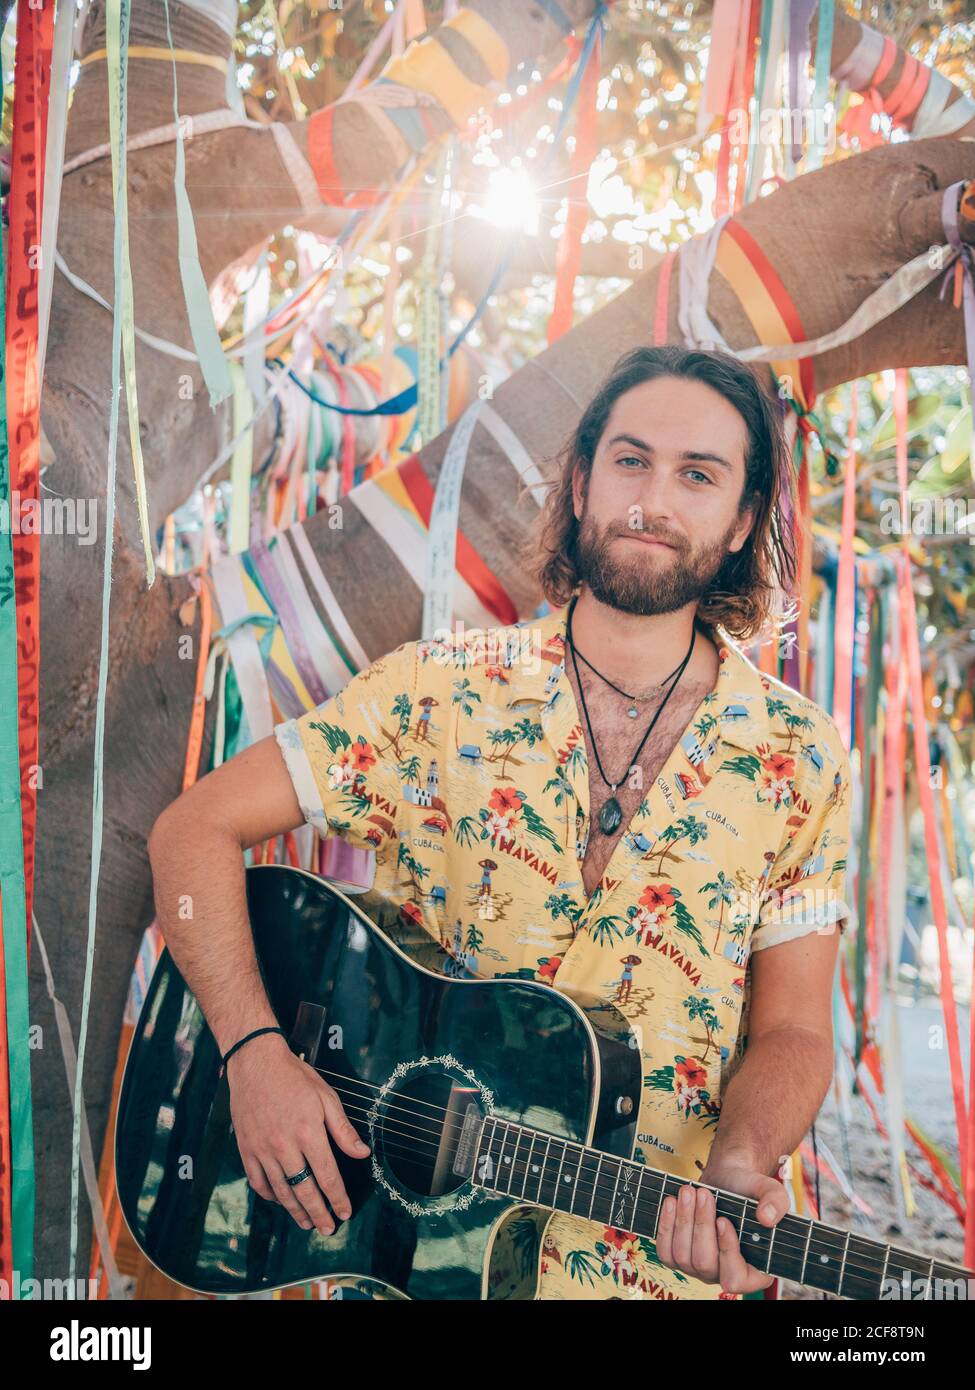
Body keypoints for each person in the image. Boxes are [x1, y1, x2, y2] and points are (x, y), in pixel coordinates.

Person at [148, 345, 853, 1301]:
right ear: (580, 482)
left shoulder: (800, 757)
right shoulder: (439, 689)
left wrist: (741, 1162)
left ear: (739, 523)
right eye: (630, 460)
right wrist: (255, 1055)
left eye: (699, 475)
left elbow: (796, 1030)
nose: (652, 498)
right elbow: (191, 832)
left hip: (644, 1271)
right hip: (404, 1263)